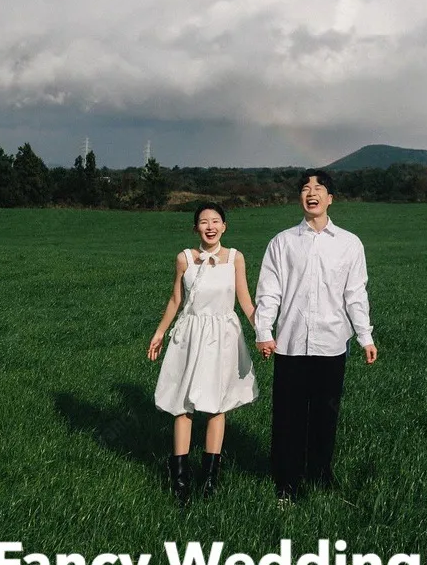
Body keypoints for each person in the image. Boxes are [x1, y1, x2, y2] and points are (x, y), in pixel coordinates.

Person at [255, 170, 377, 503]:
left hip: (332, 344)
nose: (312, 193)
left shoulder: (350, 244)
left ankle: (321, 475)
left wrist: (365, 337)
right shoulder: (282, 242)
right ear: (300, 199)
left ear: (330, 198)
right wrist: (263, 331)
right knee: (288, 419)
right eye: (305, 188)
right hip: (290, 344)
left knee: (325, 416)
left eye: (319, 188)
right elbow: (269, 291)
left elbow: (355, 294)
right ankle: (286, 484)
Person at [148, 202, 258, 503]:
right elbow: (175, 299)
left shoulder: (235, 258)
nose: (210, 226)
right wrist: (159, 333)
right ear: (196, 227)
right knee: (182, 404)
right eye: (204, 221)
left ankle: (210, 479)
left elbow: (246, 301)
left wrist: (263, 332)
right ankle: (180, 479)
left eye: (216, 221)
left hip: (223, 336)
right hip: (190, 335)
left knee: (217, 404)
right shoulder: (185, 258)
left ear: (224, 226)